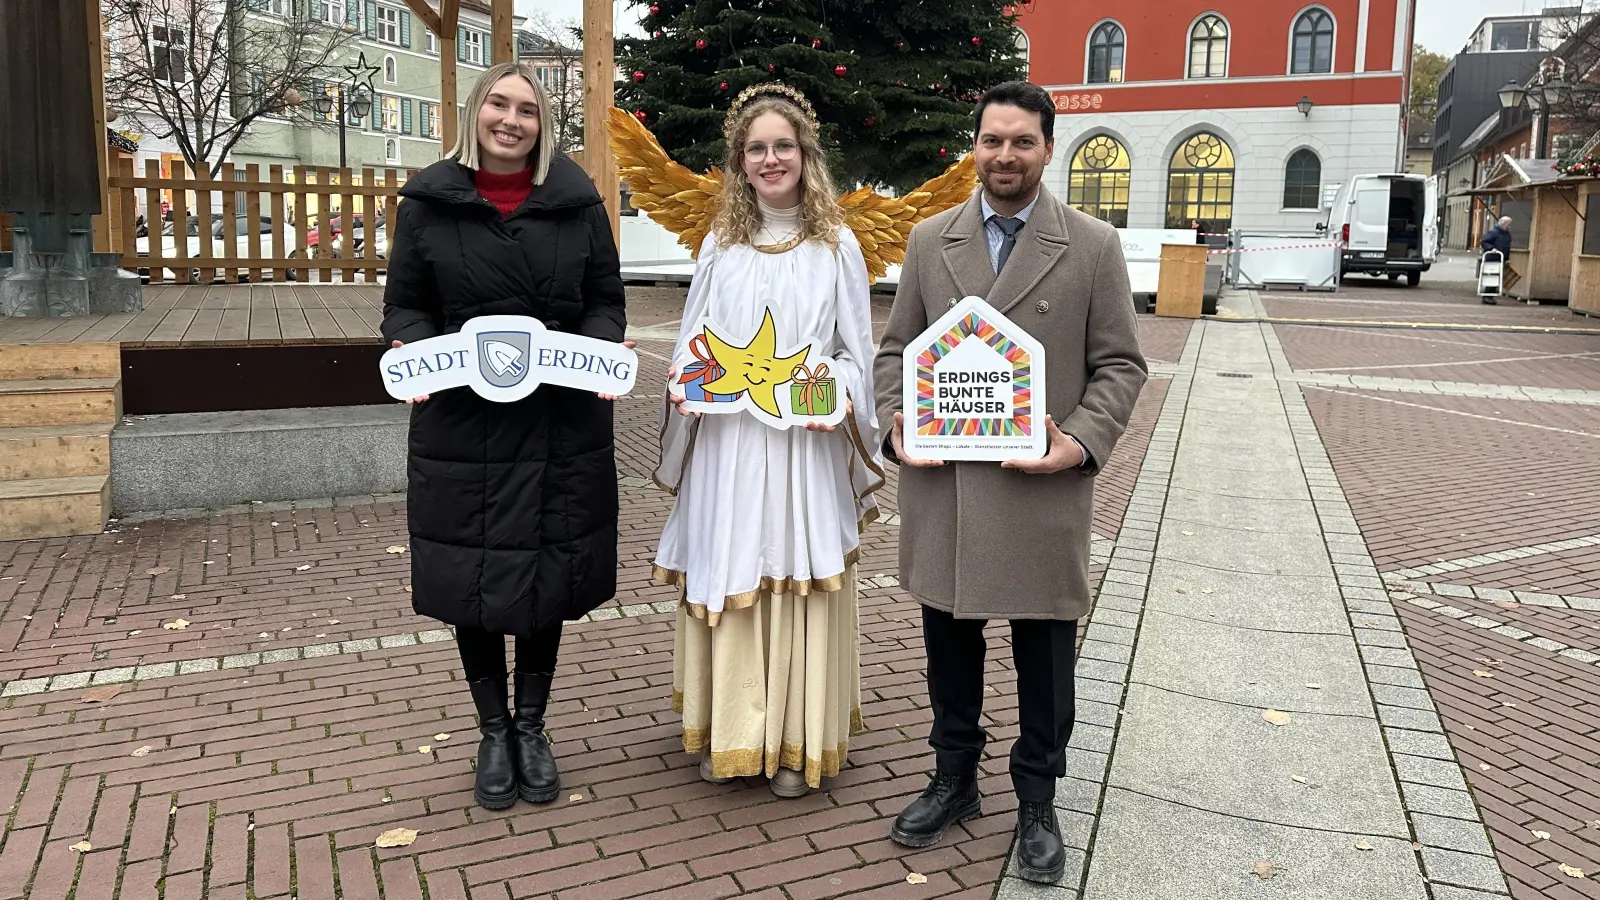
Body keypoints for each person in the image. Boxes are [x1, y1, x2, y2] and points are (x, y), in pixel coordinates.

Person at [872, 81, 1148, 883]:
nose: (1004, 155)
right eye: (992, 140)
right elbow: (896, 351)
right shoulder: (931, 240)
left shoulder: (1091, 244)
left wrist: (1082, 443)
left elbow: (1121, 364)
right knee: (949, 648)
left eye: (1022, 141)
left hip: (1039, 488)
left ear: (1047, 149)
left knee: (1044, 659)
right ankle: (953, 778)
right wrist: (895, 422)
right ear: (975, 147)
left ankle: (1037, 800)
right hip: (947, 485)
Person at [380, 61, 629, 811]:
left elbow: (605, 299)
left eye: (527, 109)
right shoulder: (428, 204)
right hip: (464, 422)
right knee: (473, 576)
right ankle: (492, 729)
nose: (511, 120)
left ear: (542, 124)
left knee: (548, 573)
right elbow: (405, 303)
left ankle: (531, 726)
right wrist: (411, 345)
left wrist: (598, 349)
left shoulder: (578, 202)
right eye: (499, 104)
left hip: (560, 419)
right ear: (476, 111)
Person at [652, 83, 883, 799]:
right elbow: (694, 341)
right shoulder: (720, 246)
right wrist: (682, 380)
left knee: (793, 571)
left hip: (799, 448)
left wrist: (834, 394)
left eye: (784, 145)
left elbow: (856, 353)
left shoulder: (836, 246)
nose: (771, 159)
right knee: (733, 568)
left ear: (806, 155)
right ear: (739, 161)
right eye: (757, 148)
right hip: (727, 445)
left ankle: (796, 739)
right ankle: (733, 731)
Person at [1479, 215, 1513, 304]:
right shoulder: (1494, 232)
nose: (1509, 226)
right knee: (1492, 276)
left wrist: (1507, 258)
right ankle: (1487, 296)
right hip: (1492, 258)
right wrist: (1491, 248)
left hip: (1501, 258)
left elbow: (1507, 247)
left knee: (1497, 277)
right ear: (1503, 223)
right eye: (1508, 224)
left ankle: (1490, 296)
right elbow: (1484, 242)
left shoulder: (1506, 234)